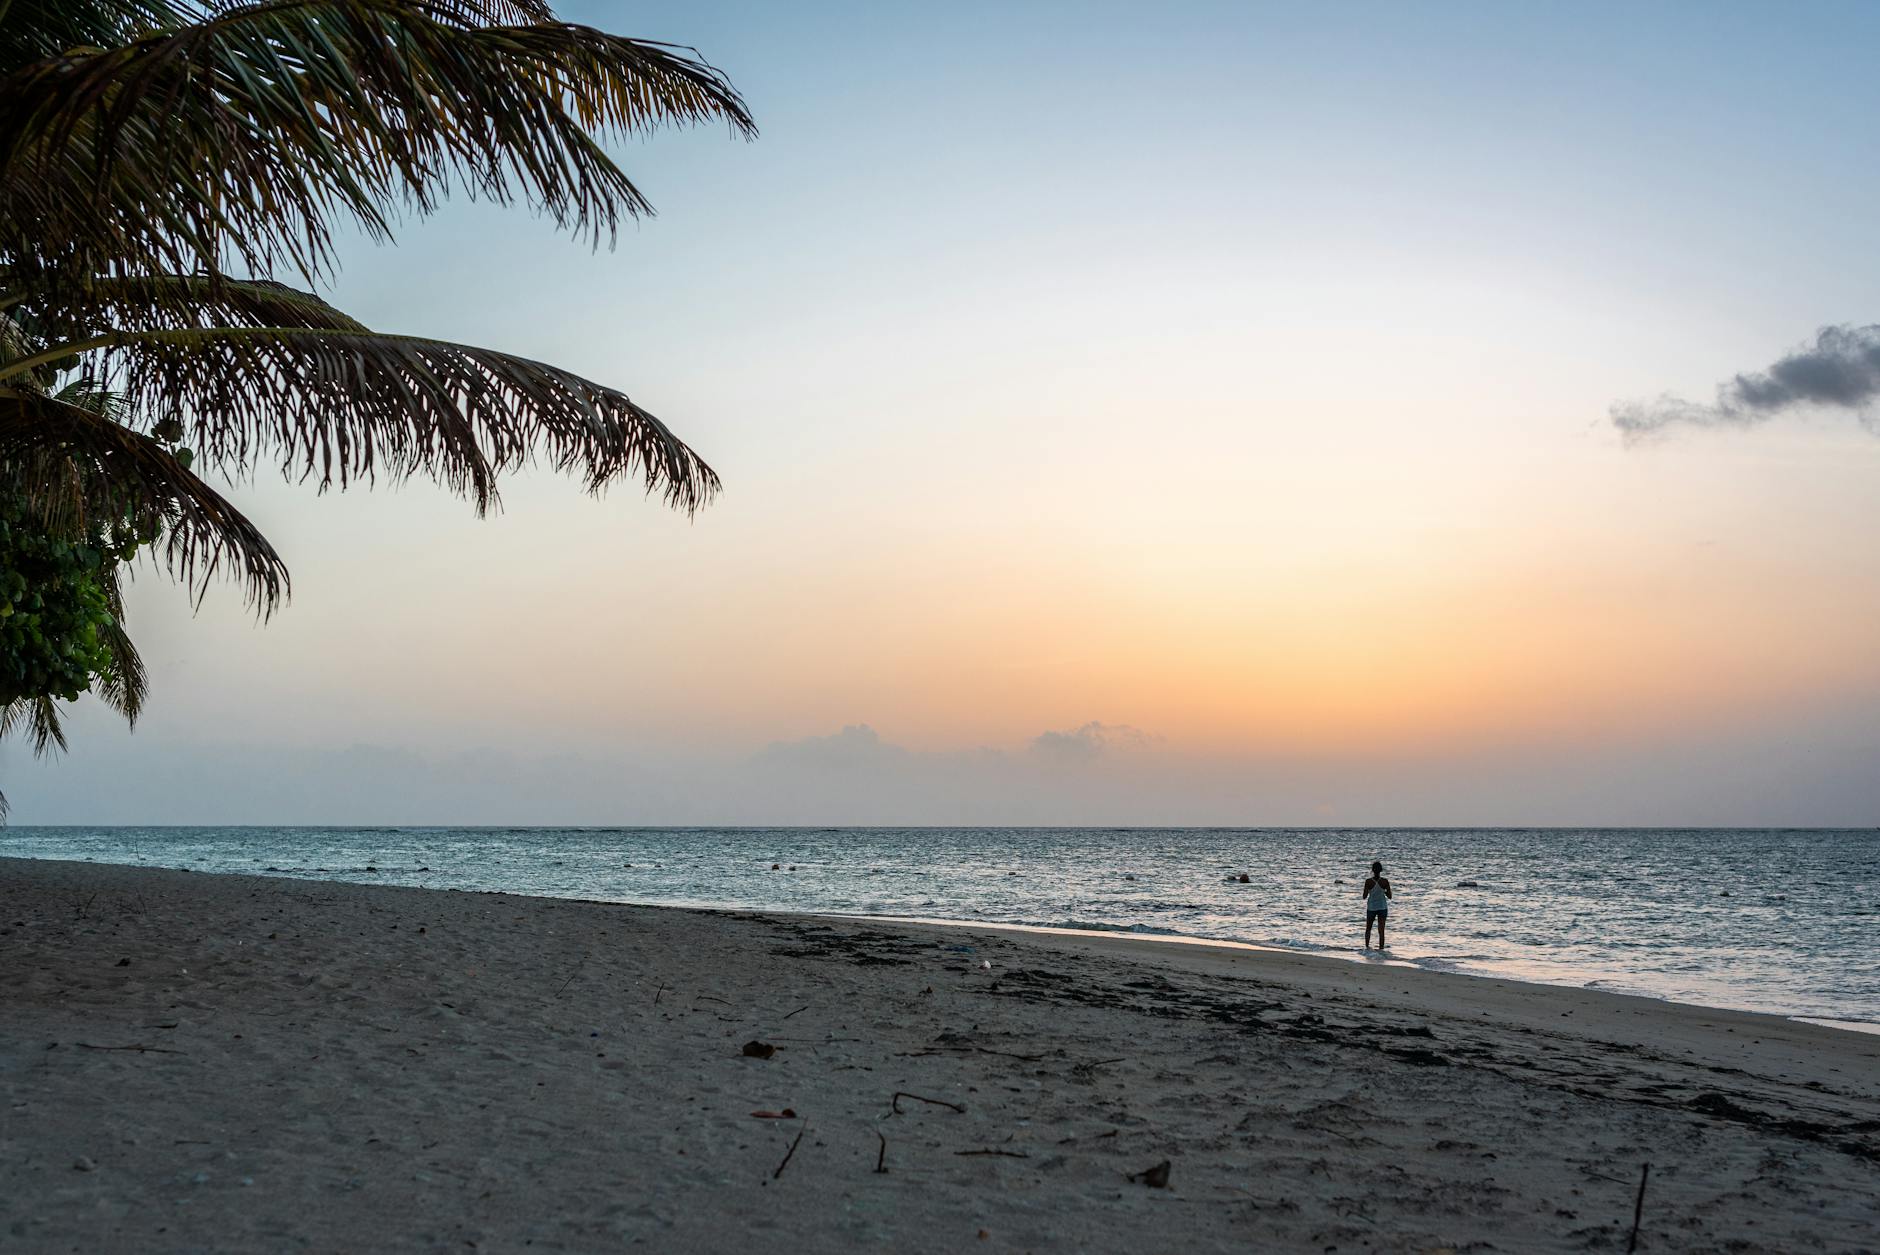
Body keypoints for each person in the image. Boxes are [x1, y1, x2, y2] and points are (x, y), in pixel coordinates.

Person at [1362, 860, 1392, 949]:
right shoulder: (1385, 881)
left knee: (1368, 928)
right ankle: (1381, 949)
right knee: (1381, 930)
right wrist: (1383, 891)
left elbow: (1364, 896)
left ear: (1372, 870)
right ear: (1381, 870)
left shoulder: (1368, 881)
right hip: (1382, 907)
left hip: (1371, 907)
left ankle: (1367, 947)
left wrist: (1370, 891)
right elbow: (1390, 896)